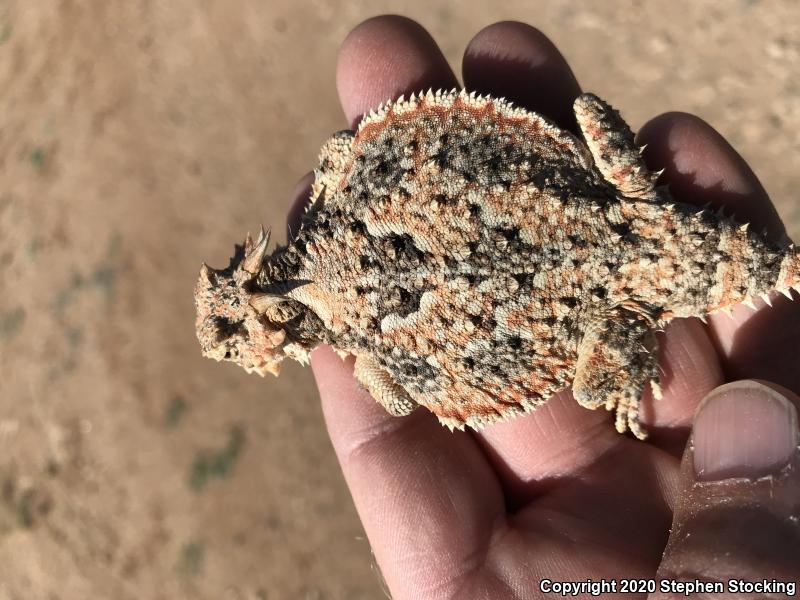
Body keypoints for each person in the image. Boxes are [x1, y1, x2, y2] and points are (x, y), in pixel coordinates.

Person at [287, 16, 800, 598]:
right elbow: (336, 152)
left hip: (616, 291)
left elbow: (397, 396)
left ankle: (633, 346)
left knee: (589, 392)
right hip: (624, 210)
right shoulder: (331, 200)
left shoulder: (360, 346)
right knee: (585, 115)